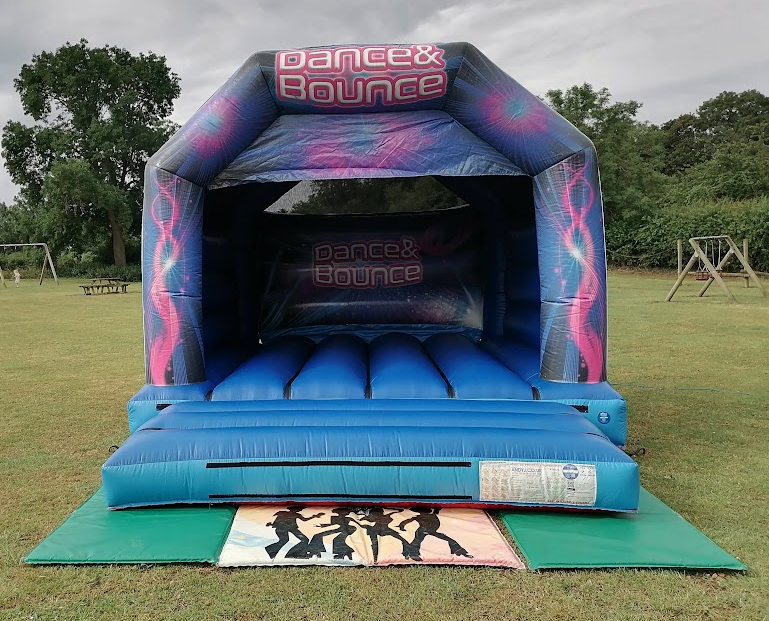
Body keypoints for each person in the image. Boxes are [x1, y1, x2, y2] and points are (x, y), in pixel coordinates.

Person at [398, 507, 473, 561]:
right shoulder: (419, 517)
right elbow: (407, 521)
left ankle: (459, 551)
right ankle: (410, 553)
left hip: (431, 530)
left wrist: (402, 526)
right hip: (422, 531)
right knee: (417, 542)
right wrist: (401, 526)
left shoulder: (432, 515)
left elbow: (436, 512)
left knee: (447, 539)